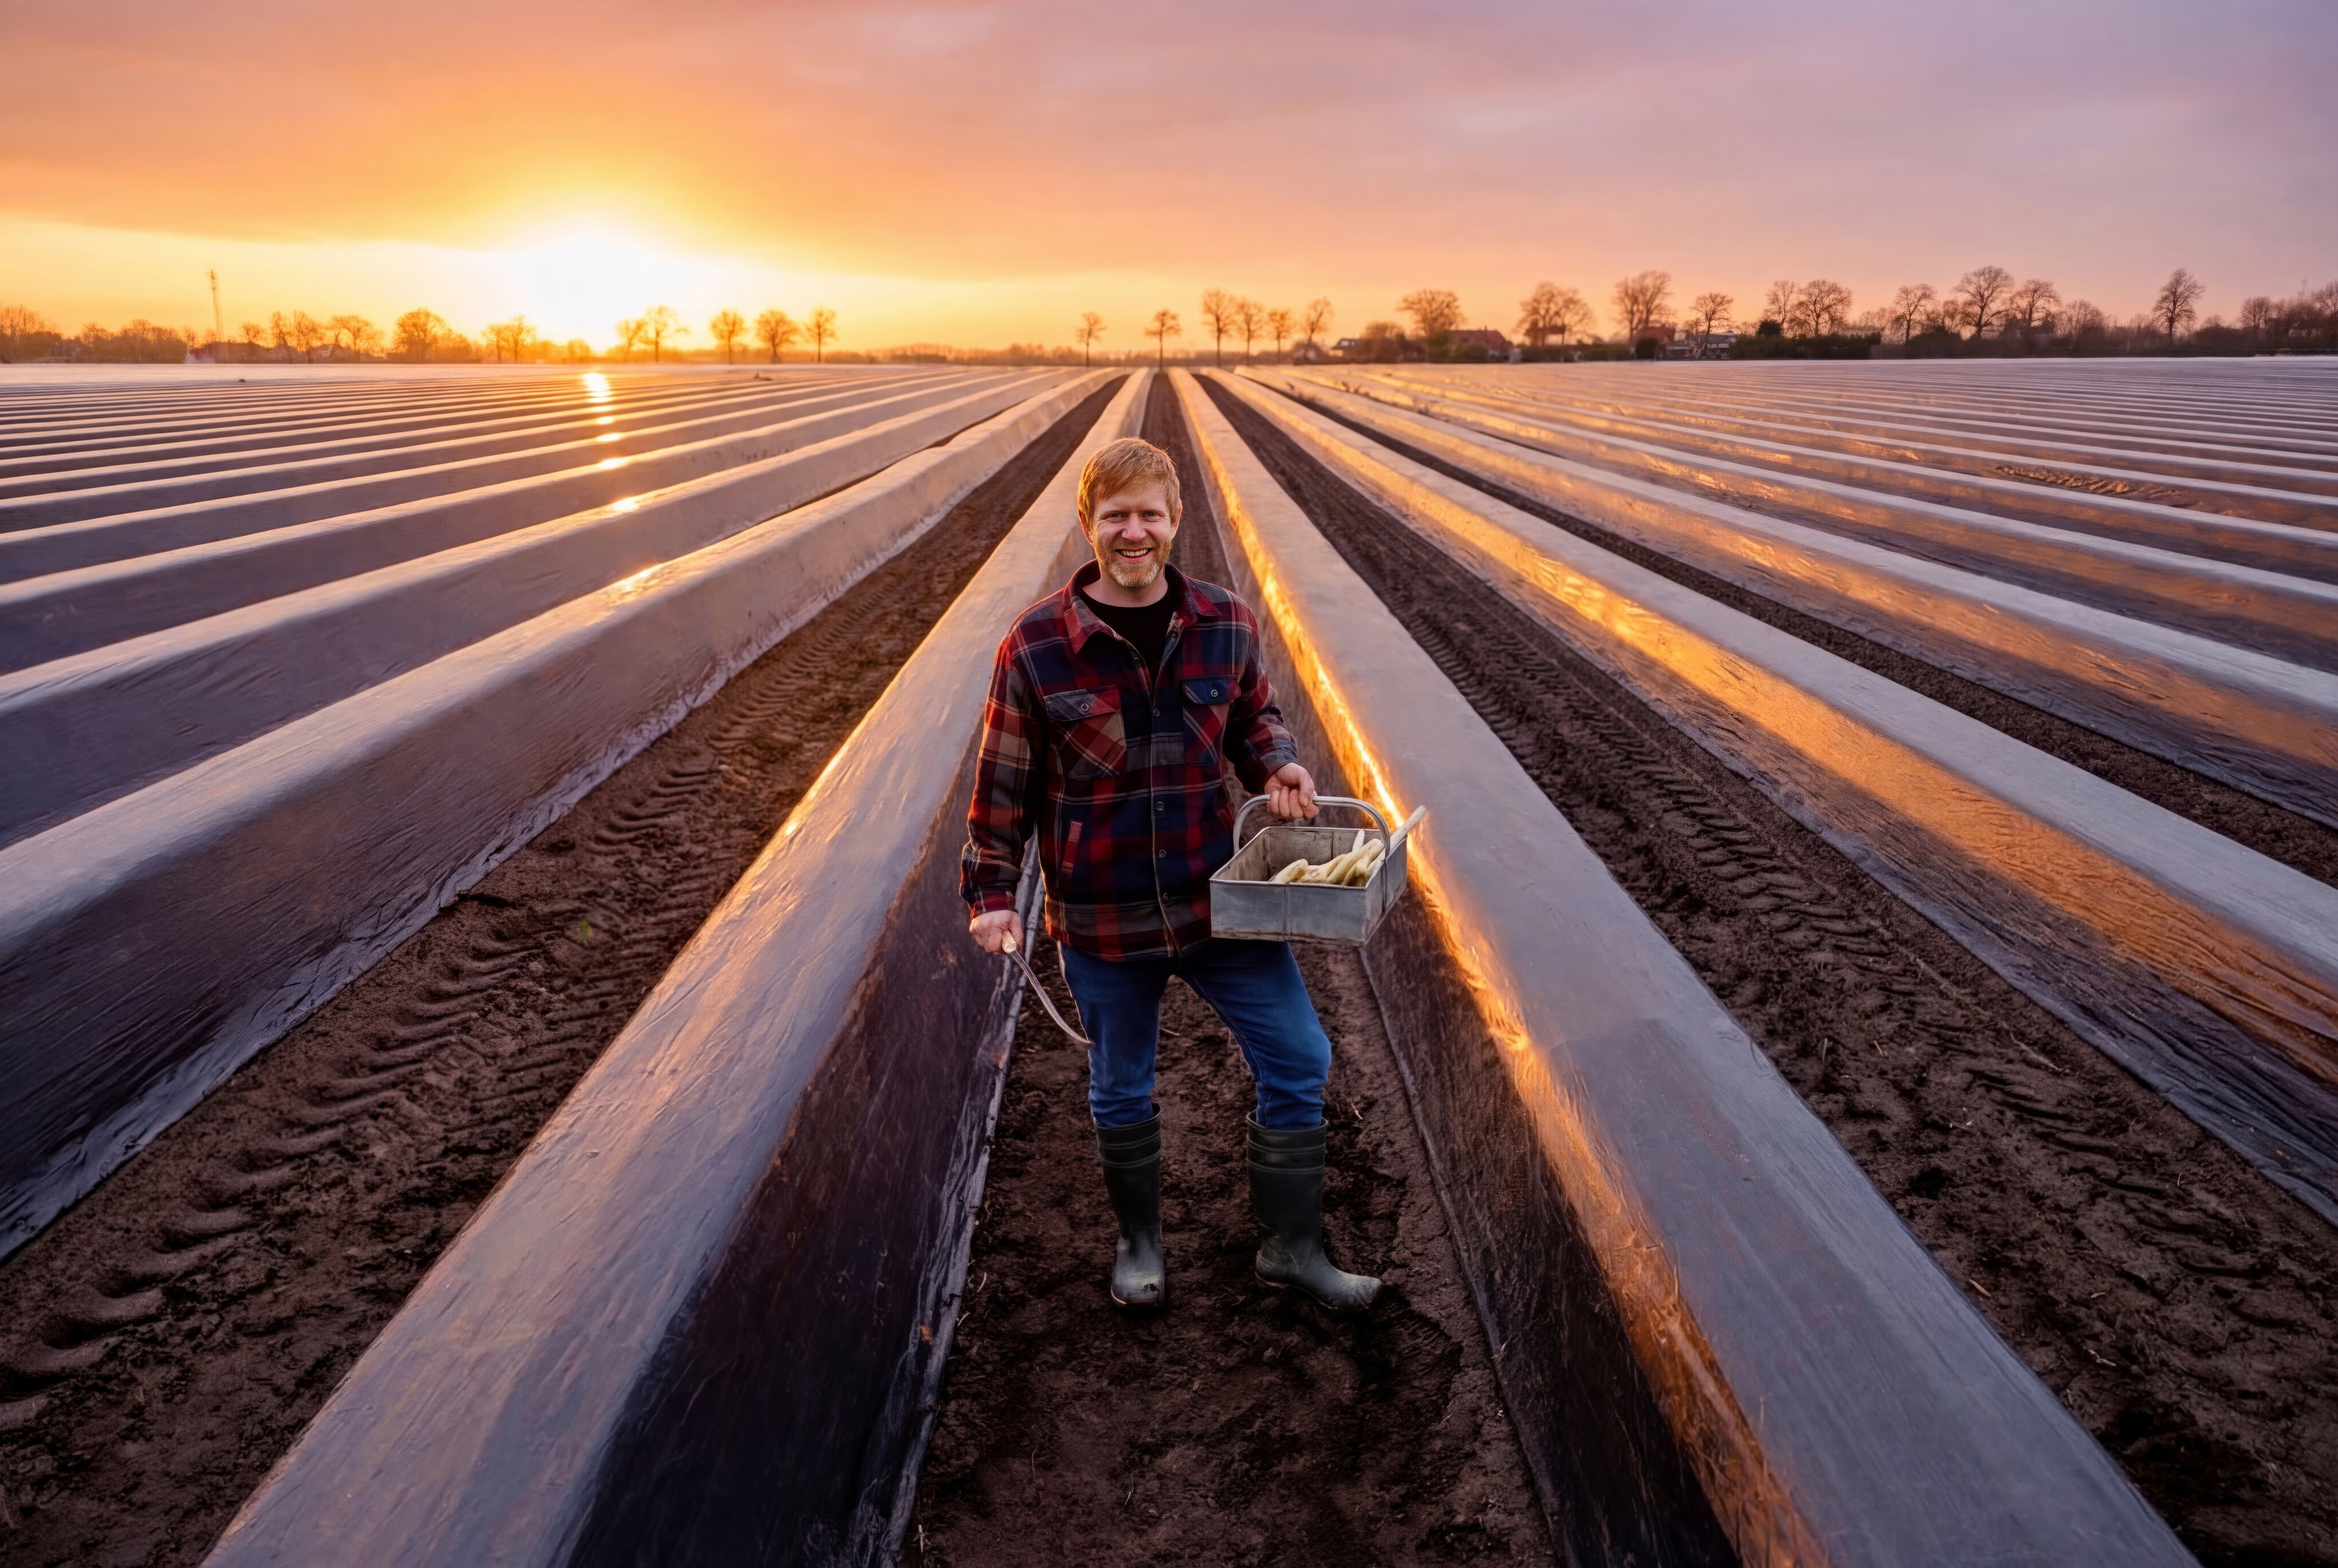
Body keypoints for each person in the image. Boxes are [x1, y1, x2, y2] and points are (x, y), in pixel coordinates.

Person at [960, 435, 1380, 1315]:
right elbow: (1001, 784)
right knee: (1120, 1083)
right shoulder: (1036, 646)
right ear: (1088, 525)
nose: (1133, 531)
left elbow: (1253, 717)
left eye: (1149, 513)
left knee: (1300, 1055)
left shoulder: (1224, 620)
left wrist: (1278, 766)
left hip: (1215, 904)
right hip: (1103, 918)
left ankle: (1292, 1247)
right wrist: (992, 895)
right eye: (1115, 516)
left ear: (1175, 520)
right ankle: (1139, 1244)